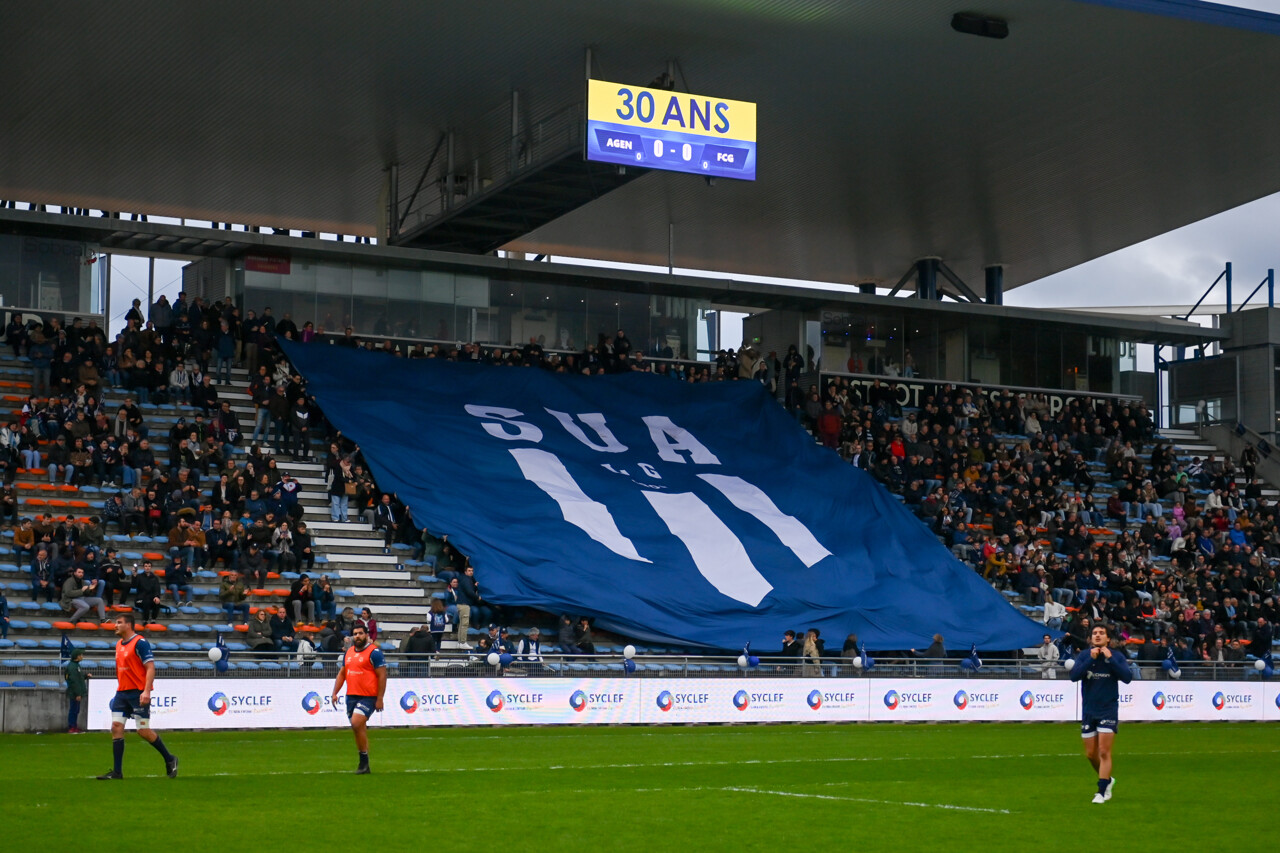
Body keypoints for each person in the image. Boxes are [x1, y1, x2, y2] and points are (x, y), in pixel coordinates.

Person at [96, 613, 178, 779]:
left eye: (119, 622)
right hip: (122, 692)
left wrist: (146, 691)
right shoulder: (119, 644)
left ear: (128, 625)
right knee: (116, 727)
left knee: (142, 730)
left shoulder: (140, 643)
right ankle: (117, 772)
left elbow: (150, 667)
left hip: (138, 692)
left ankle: (170, 759)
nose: (115, 625)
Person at [1068, 623, 1133, 804]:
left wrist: (1110, 659)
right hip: (1089, 710)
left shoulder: (1116, 656)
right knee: (1091, 754)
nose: (1097, 635)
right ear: (1090, 638)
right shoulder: (1084, 655)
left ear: (1108, 638)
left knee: (1104, 751)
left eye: (1101, 633)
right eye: (1095, 633)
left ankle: (1101, 791)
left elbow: (1127, 678)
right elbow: (1074, 676)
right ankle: (1108, 779)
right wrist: (1090, 659)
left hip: (1108, 710)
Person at [330, 623, 387, 774]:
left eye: (361, 633)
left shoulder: (374, 653)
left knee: (356, 723)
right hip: (351, 696)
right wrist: (335, 692)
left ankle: (363, 762)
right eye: (355, 634)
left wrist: (380, 698)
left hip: (368, 696)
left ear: (366, 635)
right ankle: (364, 764)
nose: (358, 636)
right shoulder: (349, 652)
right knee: (358, 728)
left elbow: (382, 676)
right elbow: (342, 673)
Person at [65, 646, 88, 734]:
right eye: (81, 655)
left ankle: (74, 726)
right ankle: (72, 727)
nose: (82, 656)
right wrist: (78, 693)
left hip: (76, 692)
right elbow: (74, 681)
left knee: (75, 710)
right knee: (73, 710)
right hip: (74, 693)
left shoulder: (76, 665)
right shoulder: (73, 667)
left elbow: (79, 677)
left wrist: (85, 676)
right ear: (77, 656)